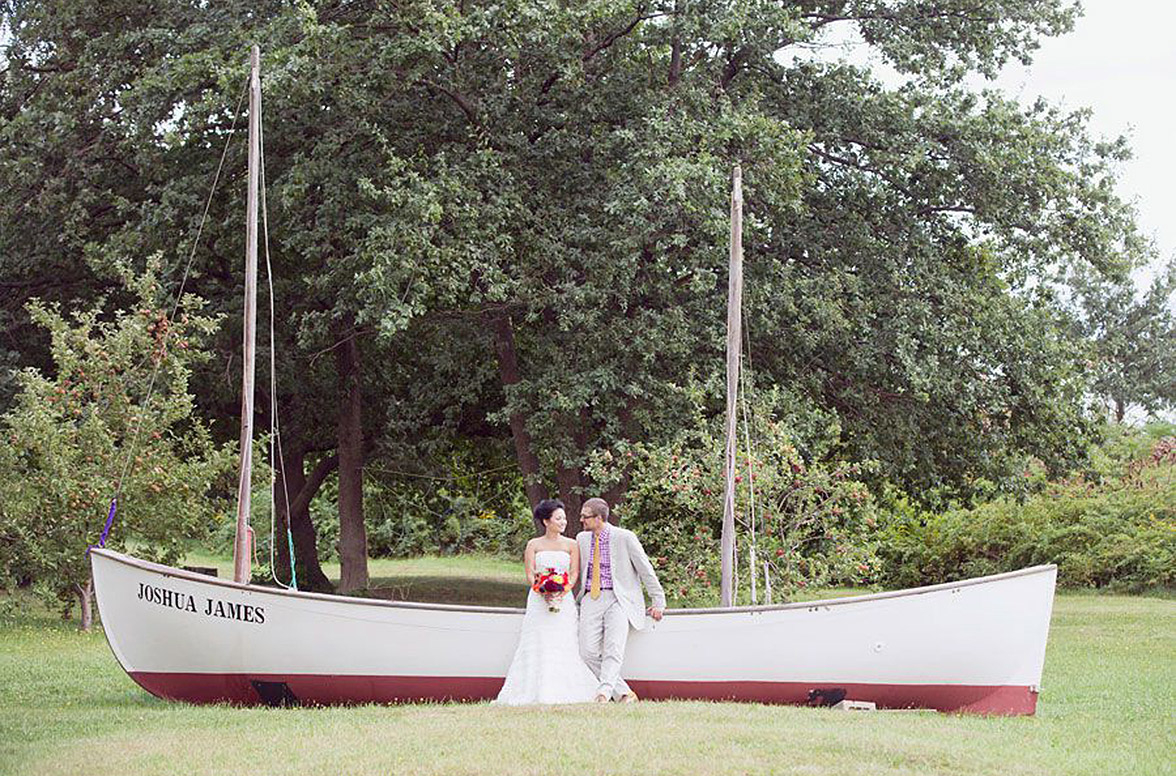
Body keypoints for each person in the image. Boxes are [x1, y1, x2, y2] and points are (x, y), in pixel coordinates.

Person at [494, 499, 600, 705]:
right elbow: (530, 572)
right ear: (546, 521)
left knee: (563, 641)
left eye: (564, 518)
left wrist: (562, 591)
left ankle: (566, 689)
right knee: (537, 640)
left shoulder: (571, 544)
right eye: (558, 518)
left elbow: (574, 572)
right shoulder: (533, 544)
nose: (564, 522)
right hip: (538, 600)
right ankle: (531, 690)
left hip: (563, 599)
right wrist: (541, 590)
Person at [576, 497, 666, 703]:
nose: (581, 520)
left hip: (620, 598)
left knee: (613, 648)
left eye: (585, 516)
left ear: (599, 518)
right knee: (586, 651)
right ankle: (624, 693)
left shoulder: (625, 537)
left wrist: (658, 600)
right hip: (591, 596)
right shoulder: (582, 538)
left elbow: (645, 569)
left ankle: (604, 694)